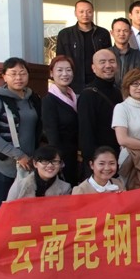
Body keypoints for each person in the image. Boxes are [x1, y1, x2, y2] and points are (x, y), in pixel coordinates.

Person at [0, 58, 42, 218]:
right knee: (3, 213)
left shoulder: (33, 98)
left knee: (26, 214)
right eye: (13, 73)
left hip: (29, 166)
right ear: (4, 76)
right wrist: (19, 155)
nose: (18, 77)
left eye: (22, 73)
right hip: (2, 167)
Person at [77, 49, 123, 176]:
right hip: (98, 164)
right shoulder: (88, 95)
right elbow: (86, 134)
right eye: (102, 62)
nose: (108, 66)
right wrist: (94, 162)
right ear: (93, 68)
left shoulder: (117, 92)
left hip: (116, 159)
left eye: (112, 61)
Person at [55, 0, 111, 92]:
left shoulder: (102, 33)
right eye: (81, 12)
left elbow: (108, 57)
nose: (85, 15)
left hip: (98, 83)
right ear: (75, 13)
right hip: (73, 84)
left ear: (93, 13)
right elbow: (59, 60)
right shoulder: (65, 34)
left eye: (89, 11)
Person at [42, 55, 79, 184]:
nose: (65, 74)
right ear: (51, 73)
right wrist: (57, 161)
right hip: (62, 158)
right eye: (60, 70)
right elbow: (51, 133)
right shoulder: (49, 100)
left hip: (75, 155)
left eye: (68, 70)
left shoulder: (73, 96)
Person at [6, 145, 71, 200]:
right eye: (44, 161)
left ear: (60, 164)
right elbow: (8, 208)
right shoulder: (19, 186)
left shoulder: (65, 188)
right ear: (35, 163)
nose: (50, 165)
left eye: (55, 161)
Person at [109, 17, 140, 88]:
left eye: (125, 31)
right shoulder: (106, 55)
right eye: (118, 31)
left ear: (130, 33)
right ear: (112, 33)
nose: (122, 34)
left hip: (133, 93)